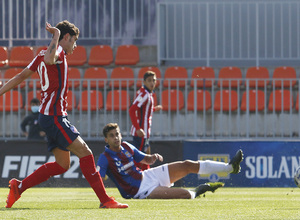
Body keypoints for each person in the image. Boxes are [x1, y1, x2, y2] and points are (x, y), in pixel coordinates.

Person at [1, 21, 128, 209]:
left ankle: (18, 187)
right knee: (86, 152)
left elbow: (19, 77)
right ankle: (105, 200)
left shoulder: (40, 55)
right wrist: (56, 35)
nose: (75, 46)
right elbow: (51, 59)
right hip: (54, 116)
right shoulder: (57, 51)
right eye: (74, 41)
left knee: (62, 165)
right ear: (66, 37)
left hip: (48, 116)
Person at [96, 123, 243, 199]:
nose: (116, 138)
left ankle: (230, 168)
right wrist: (100, 178)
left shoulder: (126, 146)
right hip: (140, 191)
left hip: (147, 176)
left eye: (117, 134)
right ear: (106, 139)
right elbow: (99, 178)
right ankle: (198, 191)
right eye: (112, 135)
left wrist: (152, 157)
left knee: (187, 164)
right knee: (185, 195)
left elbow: (145, 158)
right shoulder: (105, 157)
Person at [129, 71, 162, 170]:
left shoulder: (148, 94)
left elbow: (144, 110)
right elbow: (132, 110)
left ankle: (147, 179)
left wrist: (154, 109)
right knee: (139, 158)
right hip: (141, 132)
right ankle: (133, 180)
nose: (152, 83)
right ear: (144, 82)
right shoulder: (144, 94)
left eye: (154, 80)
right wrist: (138, 128)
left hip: (145, 132)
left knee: (147, 156)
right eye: (149, 81)